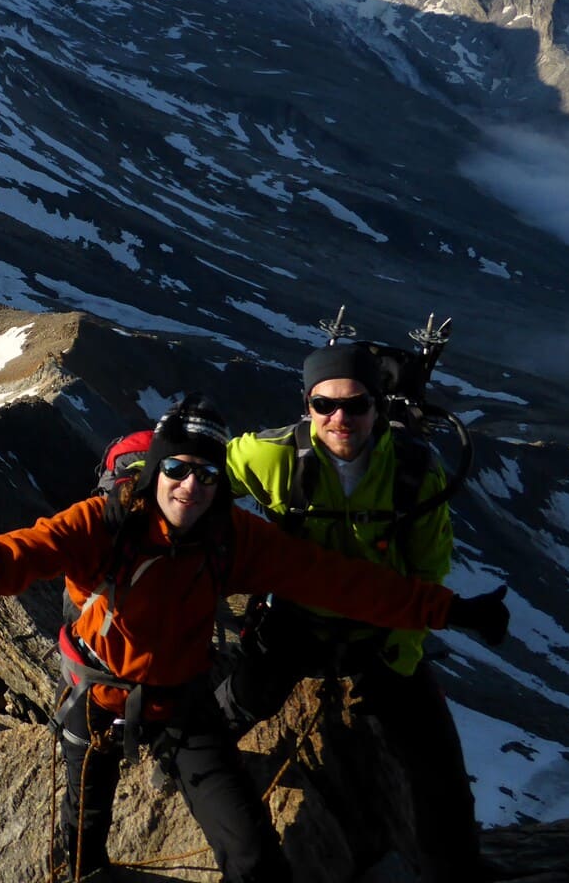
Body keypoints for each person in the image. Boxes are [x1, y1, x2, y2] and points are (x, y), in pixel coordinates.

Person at [0, 395, 509, 883]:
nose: (192, 486)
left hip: (184, 708)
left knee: (254, 862)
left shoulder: (231, 537)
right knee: (79, 859)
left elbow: (341, 583)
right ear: (154, 471)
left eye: (209, 476)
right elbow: (2, 560)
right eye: (178, 471)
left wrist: (449, 611)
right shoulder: (99, 526)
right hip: (97, 706)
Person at [219, 343, 489, 883]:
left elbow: (427, 572)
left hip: (379, 630)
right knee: (241, 701)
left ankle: (459, 870)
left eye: (357, 404)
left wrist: (402, 652)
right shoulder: (273, 456)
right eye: (324, 405)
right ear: (306, 405)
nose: (339, 417)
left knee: (436, 758)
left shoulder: (413, 471)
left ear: (379, 407)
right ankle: (176, 751)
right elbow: (199, 476)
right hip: (297, 618)